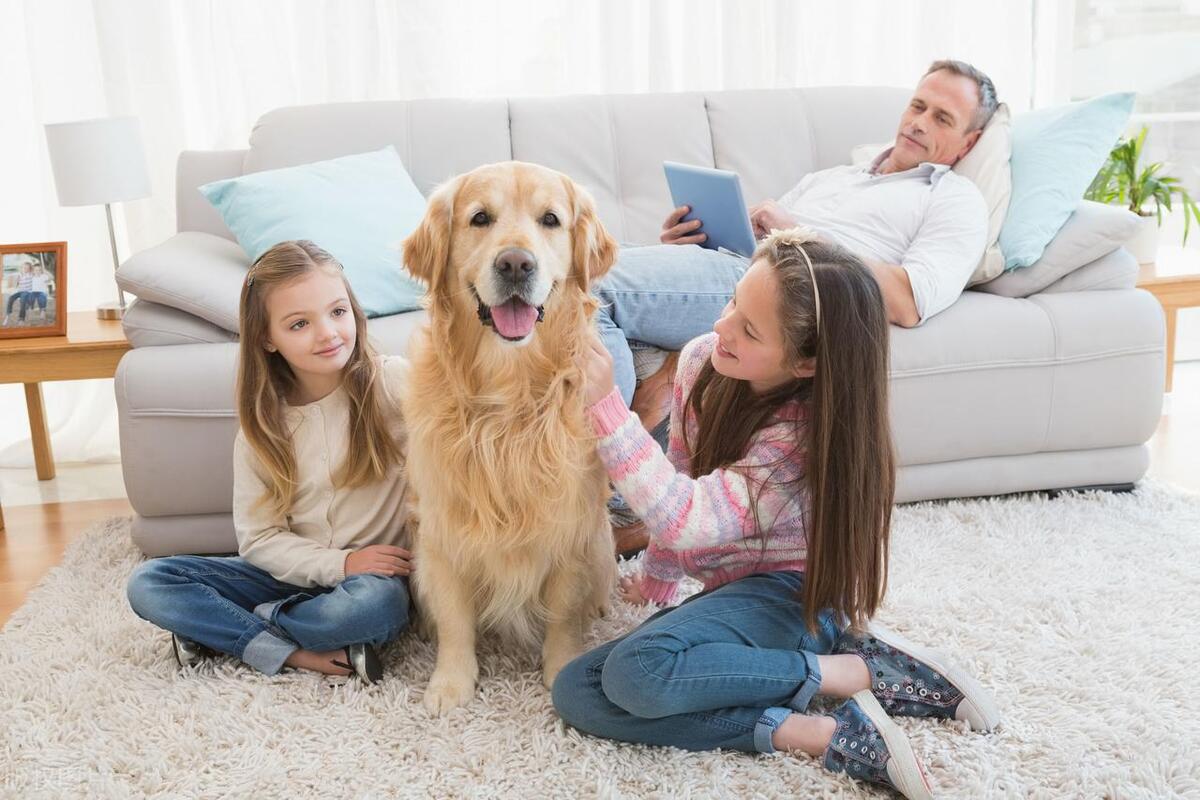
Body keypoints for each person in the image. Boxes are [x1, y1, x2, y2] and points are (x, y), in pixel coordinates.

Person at [554, 229, 999, 799]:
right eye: (733, 302)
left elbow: (685, 517)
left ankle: (843, 675)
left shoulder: (799, 437)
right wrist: (660, 581)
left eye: (749, 329)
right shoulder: (699, 363)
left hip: (792, 596)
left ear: (808, 361)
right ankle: (810, 721)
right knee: (578, 691)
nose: (722, 327)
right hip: (731, 595)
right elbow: (682, 475)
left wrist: (605, 408)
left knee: (637, 673)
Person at [600, 58, 997, 551]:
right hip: (738, 267)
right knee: (577, 271)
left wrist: (800, 233)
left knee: (592, 288)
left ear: (970, 142)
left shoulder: (955, 201)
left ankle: (594, 489)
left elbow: (908, 300)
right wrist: (682, 247)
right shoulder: (838, 177)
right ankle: (633, 490)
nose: (919, 121)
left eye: (942, 117)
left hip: (774, 289)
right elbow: (761, 243)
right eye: (918, 105)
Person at [127, 240, 414, 683]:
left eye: (337, 312)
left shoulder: (392, 382)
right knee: (150, 582)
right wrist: (339, 564)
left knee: (374, 608)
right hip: (289, 576)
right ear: (267, 337)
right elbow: (260, 541)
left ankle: (229, 629)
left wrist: (356, 567)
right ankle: (300, 655)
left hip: (370, 583)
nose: (328, 333)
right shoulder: (263, 428)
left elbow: (458, 442)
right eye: (300, 323)